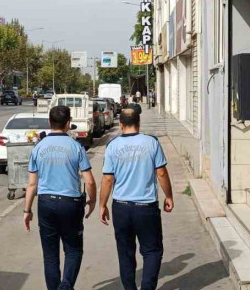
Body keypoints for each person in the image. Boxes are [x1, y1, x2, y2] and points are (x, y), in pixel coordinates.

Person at [99, 106, 173, 290]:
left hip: (121, 207)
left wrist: (102, 205)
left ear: (121, 124)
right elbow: (161, 173)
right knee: (152, 251)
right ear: (139, 123)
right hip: (146, 207)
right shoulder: (151, 142)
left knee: (125, 253)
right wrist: (169, 196)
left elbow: (108, 178)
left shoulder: (112, 146)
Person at [24, 106, 97, 290]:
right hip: (70, 204)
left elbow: (32, 184)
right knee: (73, 250)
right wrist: (93, 200)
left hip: (46, 203)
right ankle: (66, 286)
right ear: (68, 124)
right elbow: (89, 181)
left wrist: (27, 210)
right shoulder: (76, 147)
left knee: (50, 255)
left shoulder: (38, 148)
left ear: (49, 122)